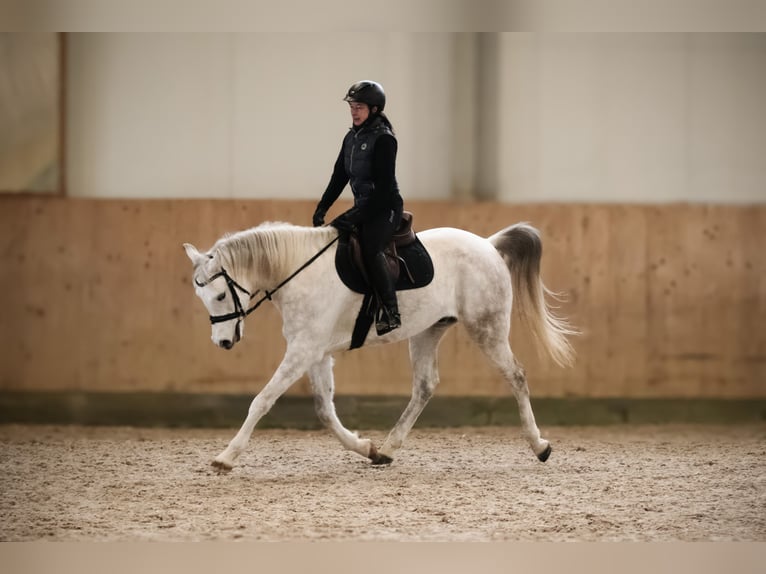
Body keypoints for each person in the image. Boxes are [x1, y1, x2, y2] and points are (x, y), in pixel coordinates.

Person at [312, 80, 404, 336]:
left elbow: (384, 191)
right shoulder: (351, 137)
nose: (354, 111)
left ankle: (391, 310)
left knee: (372, 247)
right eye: (352, 106)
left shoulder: (385, 139)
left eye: (359, 106)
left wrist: (354, 215)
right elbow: (339, 176)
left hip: (385, 208)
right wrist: (322, 208)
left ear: (374, 109)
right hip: (364, 207)